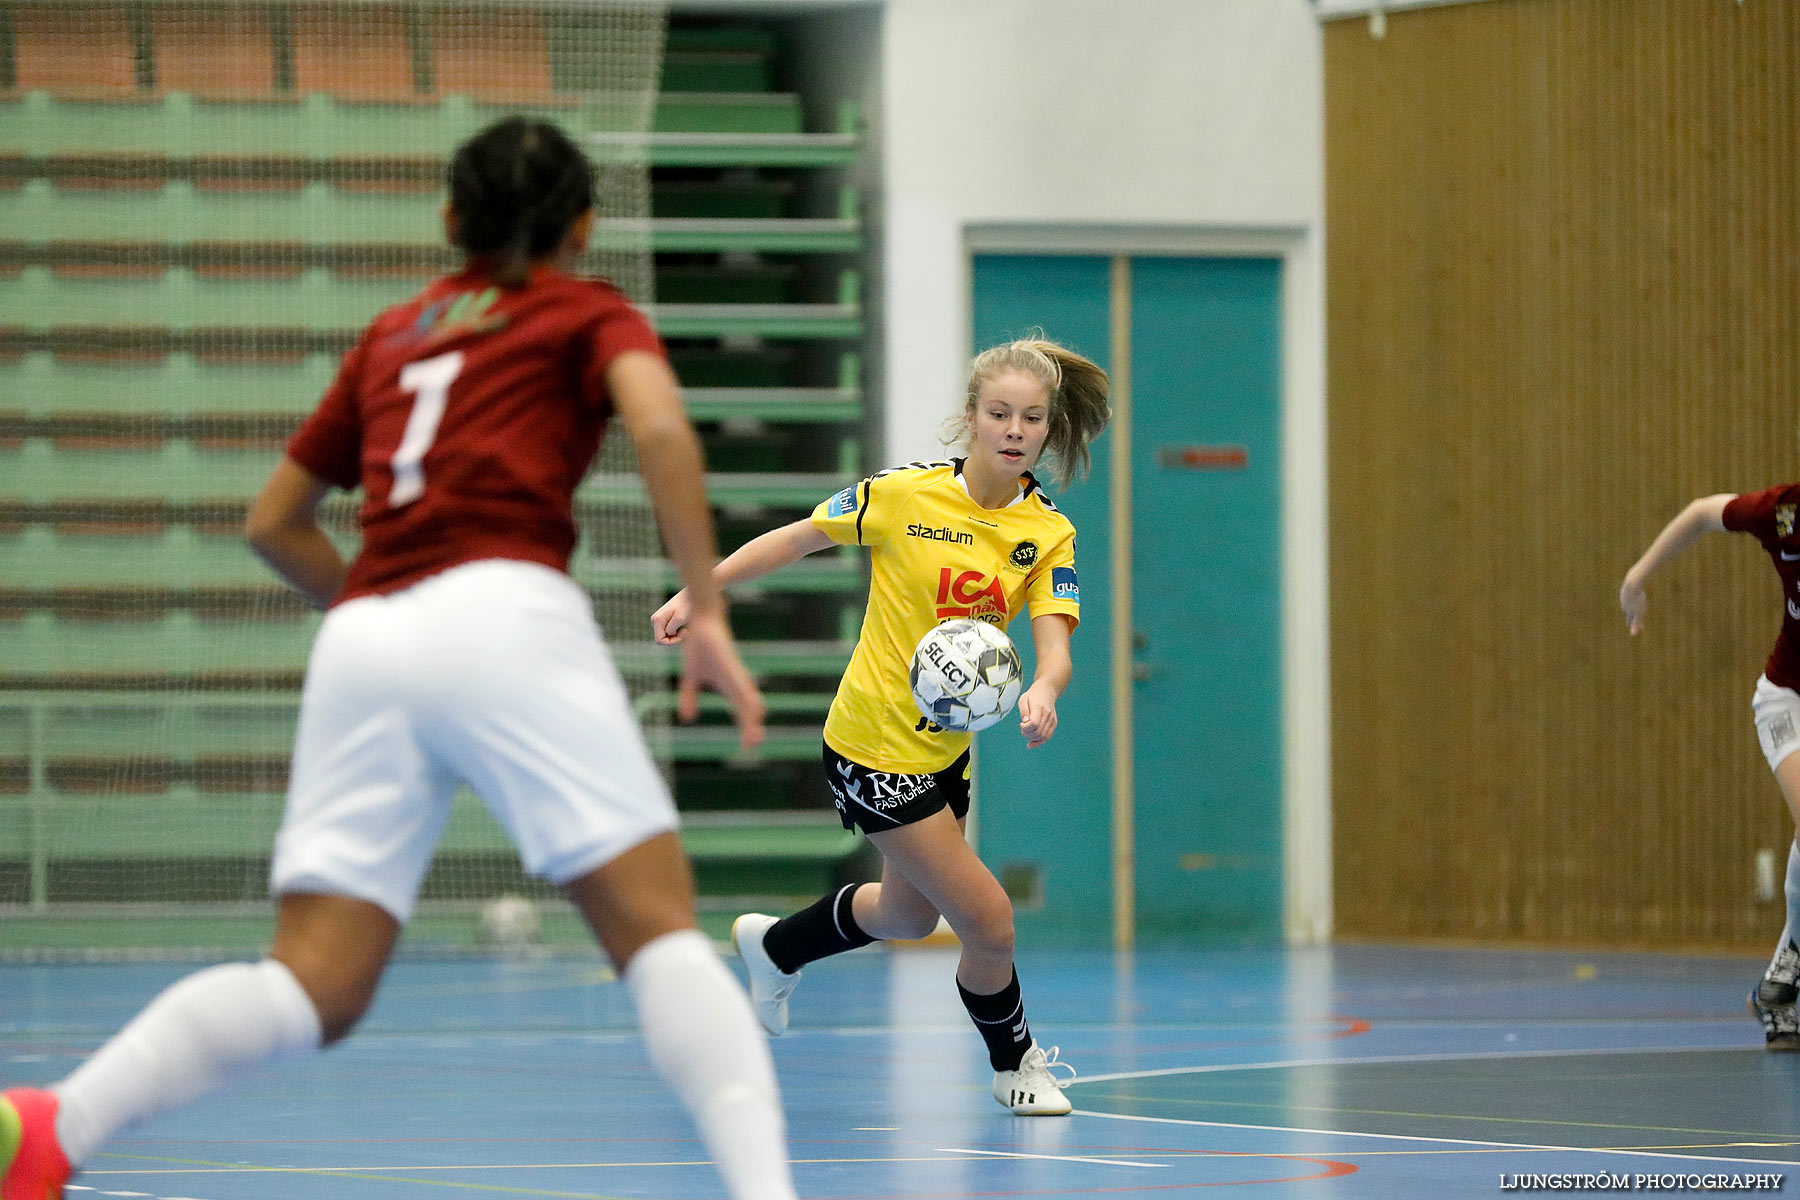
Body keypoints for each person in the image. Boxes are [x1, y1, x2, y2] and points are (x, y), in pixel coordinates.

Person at [1, 117, 800, 1200]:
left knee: (311, 982)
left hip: (366, 635)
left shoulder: (395, 332)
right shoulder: (588, 309)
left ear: (450, 221)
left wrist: (384, 611)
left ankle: (53, 1127)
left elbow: (273, 522)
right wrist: (706, 608)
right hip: (506, 604)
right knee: (658, 933)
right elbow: (661, 432)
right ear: (583, 225)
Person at [653, 337, 1110, 1115]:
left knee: (905, 914)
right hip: (869, 745)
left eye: (1031, 417)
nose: (1014, 429)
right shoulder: (903, 495)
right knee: (990, 924)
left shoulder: (1048, 532)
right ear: (970, 418)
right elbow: (797, 537)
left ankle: (776, 946)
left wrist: (1044, 689)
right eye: (998, 413)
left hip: (943, 754)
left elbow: (1056, 646)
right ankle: (1016, 1066)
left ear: (1047, 428)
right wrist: (704, 591)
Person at [1621, 488, 1800, 1051]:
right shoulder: (1781, 512)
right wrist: (1636, 577)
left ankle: (1780, 992)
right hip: (1787, 700)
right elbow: (1700, 514)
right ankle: (1791, 963)